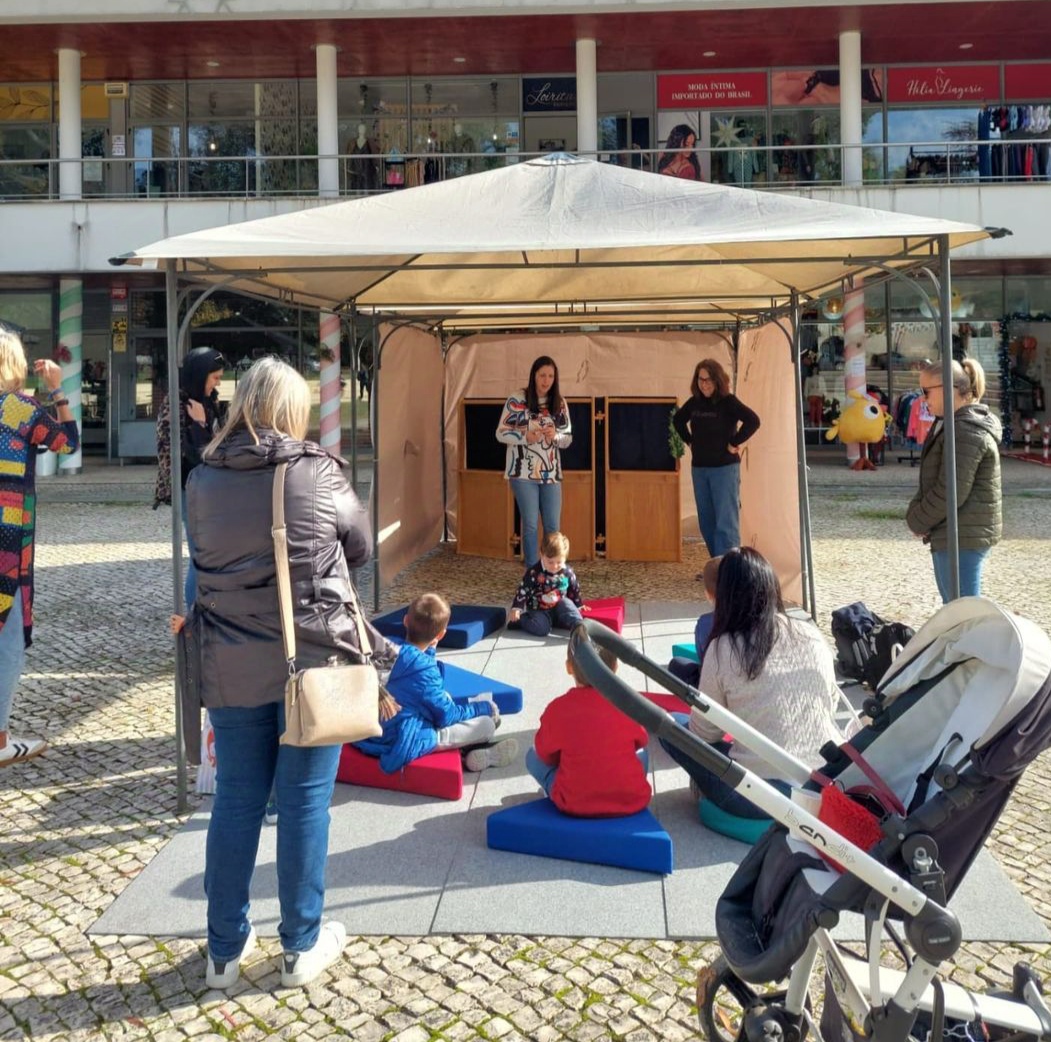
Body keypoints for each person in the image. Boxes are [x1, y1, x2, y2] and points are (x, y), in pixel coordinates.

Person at [183, 356, 395, 990]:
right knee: (304, 802)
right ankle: (300, 943)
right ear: (292, 409)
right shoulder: (315, 472)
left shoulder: (201, 480)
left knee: (237, 802)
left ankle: (222, 950)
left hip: (230, 661)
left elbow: (204, 563)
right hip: (311, 661)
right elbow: (359, 546)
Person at [659, 548, 854, 819]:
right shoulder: (810, 633)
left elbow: (705, 734)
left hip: (762, 796)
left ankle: (712, 789)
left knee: (671, 727)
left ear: (723, 594)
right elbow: (830, 702)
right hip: (827, 780)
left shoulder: (724, 647)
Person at [0, 330, 79, 767]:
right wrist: (56, 389)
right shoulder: (19, 409)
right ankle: (0, 740)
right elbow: (68, 443)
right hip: (6, 540)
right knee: (7, 637)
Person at [354, 592, 518, 773]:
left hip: (366, 732)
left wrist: (430, 652)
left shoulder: (385, 645)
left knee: (441, 698)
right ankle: (468, 751)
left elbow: (413, 673)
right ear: (441, 634)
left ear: (406, 620)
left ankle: (469, 752)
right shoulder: (425, 671)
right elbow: (445, 716)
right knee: (487, 724)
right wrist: (484, 707)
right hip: (398, 739)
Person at [906, 358, 1002, 602]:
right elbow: (934, 480)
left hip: (962, 535)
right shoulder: (954, 424)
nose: (923, 399)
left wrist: (917, 520)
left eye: (926, 392)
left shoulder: (965, 429)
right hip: (957, 532)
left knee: (963, 615)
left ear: (947, 387)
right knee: (958, 612)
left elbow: (950, 491)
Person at [527, 643, 651, 817]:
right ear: (615, 667)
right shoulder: (626, 702)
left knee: (531, 756)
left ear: (569, 667)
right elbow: (642, 740)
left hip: (573, 803)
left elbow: (545, 754)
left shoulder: (558, 708)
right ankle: (622, 786)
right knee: (642, 754)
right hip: (632, 800)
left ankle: (555, 791)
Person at [154, 346, 227, 609]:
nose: (218, 383)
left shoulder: (208, 401)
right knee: (201, 553)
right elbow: (192, 457)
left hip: (212, 488)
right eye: (215, 377)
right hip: (191, 488)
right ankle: (194, 610)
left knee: (211, 551)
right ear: (200, 375)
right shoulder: (176, 406)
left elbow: (219, 446)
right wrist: (199, 425)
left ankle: (206, 606)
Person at [673, 359, 760, 568]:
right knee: (707, 521)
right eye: (701, 380)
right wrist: (689, 441)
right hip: (700, 469)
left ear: (718, 380)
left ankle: (730, 569)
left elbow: (753, 420)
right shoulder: (694, 402)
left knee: (725, 522)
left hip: (724, 469)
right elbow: (678, 420)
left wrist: (734, 442)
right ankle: (718, 565)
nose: (705, 385)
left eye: (709, 380)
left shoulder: (728, 401)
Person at [495, 355, 572, 568]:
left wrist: (554, 436)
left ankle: (552, 570)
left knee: (552, 526)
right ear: (534, 376)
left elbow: (567, 439)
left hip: (551, 473)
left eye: (550, 376)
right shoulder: (517, 399)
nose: (546, 381)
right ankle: (531, 572)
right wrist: (524, 437)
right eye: (542, 375)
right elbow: (500, 433)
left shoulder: (560, 403)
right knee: (529, 525)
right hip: (522, 474)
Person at [508, 531, 583, 637]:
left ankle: (579, 627)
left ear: (565, 558)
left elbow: (574, 589)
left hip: (558, 605)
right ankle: (522, 621)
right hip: (538, 608)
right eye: (550, 562)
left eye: (559, 562)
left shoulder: (567, 572)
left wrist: (579, 605)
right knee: (542, 629)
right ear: (542, 555)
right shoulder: (534, 572)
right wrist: (516, 608)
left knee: (568, 606)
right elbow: (523, 590)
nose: (554, 566)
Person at [666, 555, 722, 687]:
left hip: (715, 691)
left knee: (676, 665)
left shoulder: (705, 623)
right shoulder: (770, 621)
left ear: (708, 594)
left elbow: (703, 656)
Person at [804, 364, 827, 428]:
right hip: (812, 395)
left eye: (816, 369)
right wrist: (806, 396)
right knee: (813, 407)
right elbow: (806, 388)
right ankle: (812, 422)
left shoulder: (821, 378)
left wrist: (825, 395)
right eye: (814, 369)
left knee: (819, 407)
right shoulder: (808, 378)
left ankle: (819, 421)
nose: (815, 370)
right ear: (811, 370)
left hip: (819, 395)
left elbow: (823, 387)